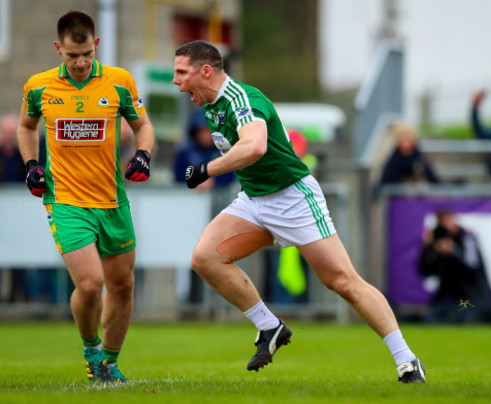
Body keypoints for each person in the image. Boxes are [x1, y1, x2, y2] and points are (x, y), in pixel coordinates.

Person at [173, 40, 425, 383]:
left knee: (343, 282)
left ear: (205, 71)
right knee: (205, 258)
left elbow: (255, 145)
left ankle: (407, 360)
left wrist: (206, 170)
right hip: (254, 201)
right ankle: (269, 326)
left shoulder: (241, 98)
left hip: (293, 199)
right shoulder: (210, 107)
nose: (177, 81)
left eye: (181, 72)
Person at [16, 11, 155, 383]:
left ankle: (109, 364)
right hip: (65, 201)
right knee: (91, 284)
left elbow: (142, 126)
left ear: (97, 46)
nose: (79, 64)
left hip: (113, 200)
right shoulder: (39, 87)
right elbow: (26, 126)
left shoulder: (119, 82)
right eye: (71, 56)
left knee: (123, 285)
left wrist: (143, 154)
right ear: (58, 49)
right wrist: (31, 163)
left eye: (86, 56)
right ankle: (91, 348)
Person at [418, 210, 491, 323]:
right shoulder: (440, 241)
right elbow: (425, 271)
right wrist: (427, 248)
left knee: (467, 320)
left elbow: (472, 267)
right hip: (448, 298)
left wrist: (453, 252)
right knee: (432, 321)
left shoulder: (467, 238)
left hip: (473, 296)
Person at [173, 108, 237, 192]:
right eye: (202, 131)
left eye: (208, 131)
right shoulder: (185, 153)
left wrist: (214, 181)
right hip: (189, 198)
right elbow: (178, 176)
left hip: (221, 199)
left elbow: (231, 176)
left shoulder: (225, 151)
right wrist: (195, 181)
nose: (205, 136)